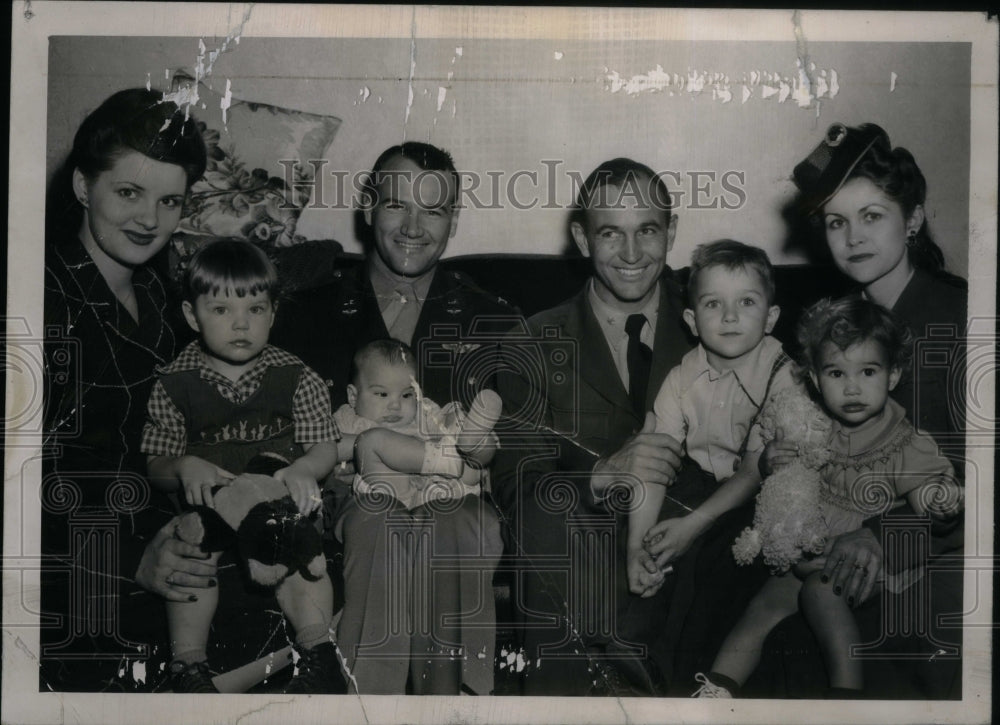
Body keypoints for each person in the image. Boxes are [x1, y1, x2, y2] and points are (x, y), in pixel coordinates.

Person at [693, 298, 963, 699]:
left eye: (868, 371)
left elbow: (929, 493)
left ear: (892, 376)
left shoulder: (905, 442)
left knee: (820, 591)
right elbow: (784, 473)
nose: (851, 387)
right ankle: (717, 689)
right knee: (763, 604)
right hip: (811, 548)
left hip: (867, 565)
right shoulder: (816, 427)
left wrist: (938, 501)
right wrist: (771, 461)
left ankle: (846, 695)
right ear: (817, 380)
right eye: (836, 373)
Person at [493, 158, 691, 696]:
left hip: (692, 541)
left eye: (647, 231)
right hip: (583, 541)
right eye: (611, 234)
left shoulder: (717, 315)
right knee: (545, 513)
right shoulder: (530, 342)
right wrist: (603, 475)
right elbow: (517, 483)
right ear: (583, 238)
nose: (631, 255)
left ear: (671, 232)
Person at [41, 87, 207, 690]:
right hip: (70, 566)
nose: (149, 220)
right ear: (85, 187)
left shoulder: (170, 301)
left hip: (167, 548)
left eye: (169, 201)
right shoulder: (39, 302)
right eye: (129, 193)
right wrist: (131, 559)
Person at [140, 239, 344, 693]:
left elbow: (325, 445)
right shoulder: (174, 384)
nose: (240, 323)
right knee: (188, 558)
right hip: (210, 509)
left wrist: (304, 468)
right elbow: (156, 464)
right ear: (192, 316)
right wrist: (183, 465)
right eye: (221, 310)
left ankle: (319, 652)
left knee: (301, 556)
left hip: (275, 501)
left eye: (255, 309)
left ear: (273, 313)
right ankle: (189, 666)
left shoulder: (296, 375)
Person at [271, 141, 518, 409]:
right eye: (396, 207)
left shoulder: (498, 326)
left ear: (454, 221)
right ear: (368, 209)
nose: (412, 229)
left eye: (432, 211)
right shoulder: (299, 315)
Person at [331, 340, 502, 694]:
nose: (395, 405)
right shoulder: (348, 418)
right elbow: (332, 449)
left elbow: (437, 422)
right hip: (381, 489)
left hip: (430, 492)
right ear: (353, 394)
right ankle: (371, 696)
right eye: (380, 394)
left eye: (407, 395)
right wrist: (375, 439)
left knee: (463, 447)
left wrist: (453, 424)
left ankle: (474, 442)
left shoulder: (424, 413)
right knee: (373, 440)